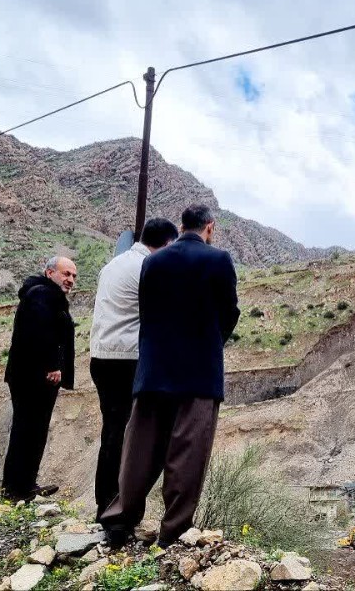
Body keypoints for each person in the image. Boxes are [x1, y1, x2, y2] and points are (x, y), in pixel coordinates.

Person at [100, 204, 240, 548]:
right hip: (198, 373)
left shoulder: (153, 261)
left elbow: (146, 313)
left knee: (140, 448)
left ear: (181, 227)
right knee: (187, 452)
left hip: (153, 369)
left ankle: (119, 520)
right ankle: (173, 531)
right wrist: (208, 343)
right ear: (209, 227)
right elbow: (229, 313)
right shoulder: (219, 260)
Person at [89, 218, 178, 519]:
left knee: (112, 430)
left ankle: (105, 501)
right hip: (126, 359)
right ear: (166, 244)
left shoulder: (112, 265)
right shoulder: (147, 268)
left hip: (101, 356)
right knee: (132, 434)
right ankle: (115, 505)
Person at [2, 256, 77, 501]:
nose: (71, 280)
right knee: (28, 430)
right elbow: (41, 332)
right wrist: (53, 365)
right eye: (66, 274)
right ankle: (17, 489)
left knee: (31, 430)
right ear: (49, 273)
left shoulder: (42, 294)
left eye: (74, 276)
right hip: (34, 377)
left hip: (30, 375)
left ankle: (21, 485)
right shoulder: (43, 295)